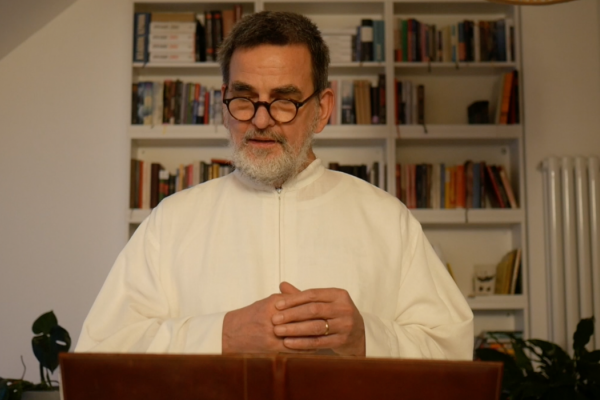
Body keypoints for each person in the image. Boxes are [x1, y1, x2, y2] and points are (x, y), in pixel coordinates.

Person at [75, 11, 473, 359]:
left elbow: (451, 353)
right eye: (244, 99)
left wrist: (367, 338)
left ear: (322, 110)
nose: (261, 120)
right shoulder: (170, 222)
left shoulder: (387, 220)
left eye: (284, 101)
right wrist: (223, 335)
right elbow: (99, 354)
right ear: (223, 104)